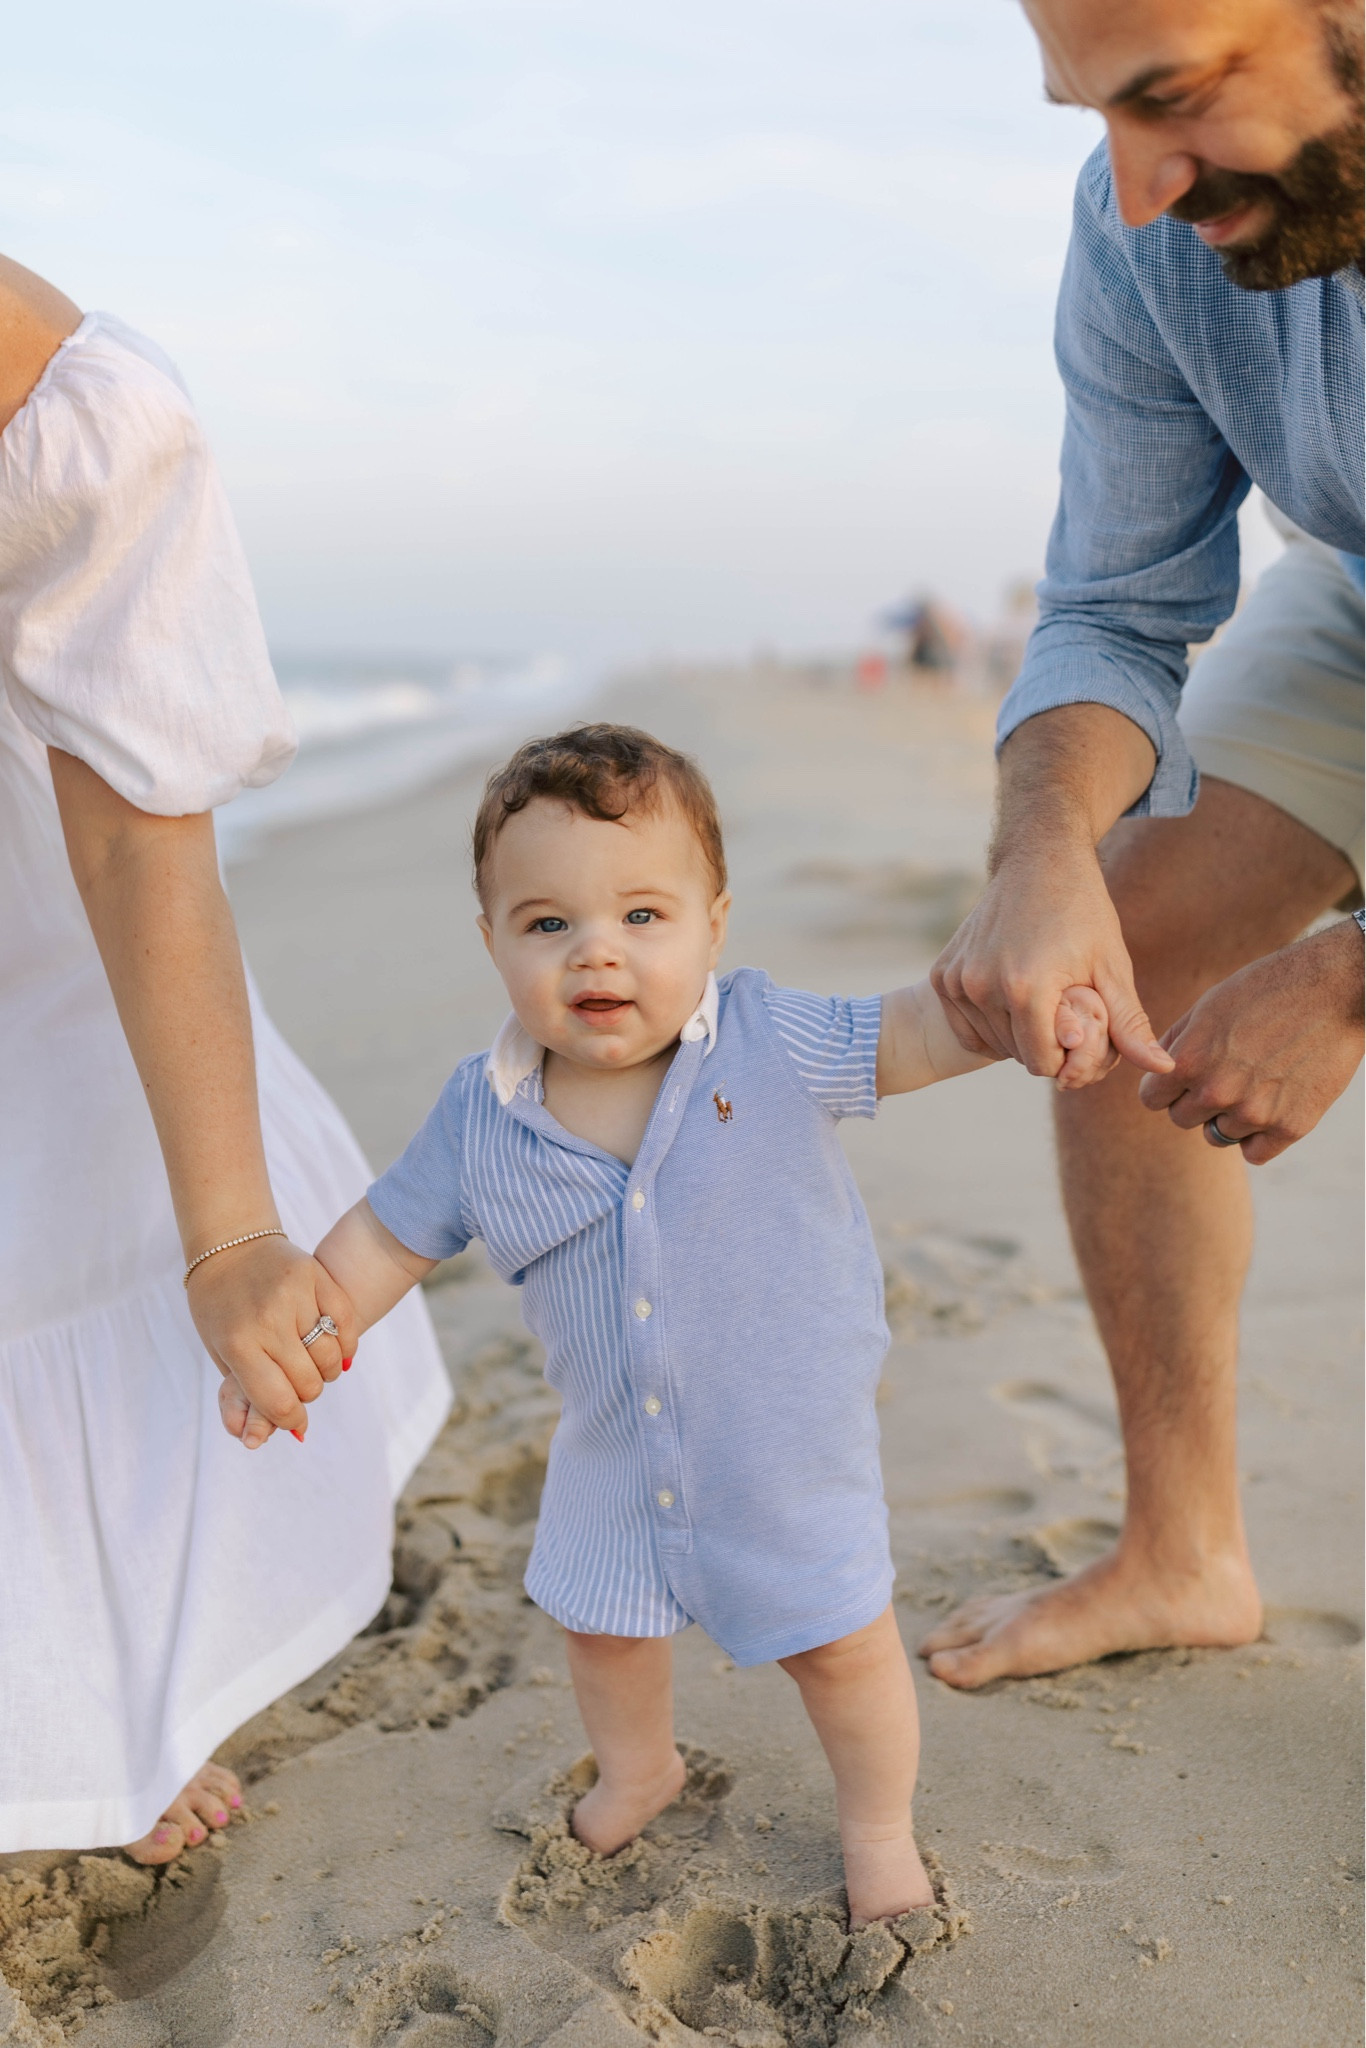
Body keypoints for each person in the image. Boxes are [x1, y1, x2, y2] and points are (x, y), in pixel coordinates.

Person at [229, 723, 1110, 1925]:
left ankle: (877, 1826)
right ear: (490, 938)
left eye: (643, 914)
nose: (596, 948)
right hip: (611, 1450)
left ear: (714, 923)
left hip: (782, 1446)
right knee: (600, 1630)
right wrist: (299, 1339)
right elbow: (384, 1241)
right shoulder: (481, 1115)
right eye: (547, 921)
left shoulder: (770, 1038)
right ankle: (639, 1768)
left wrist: (1023, 1016)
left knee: (838, 1646)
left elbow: (912, 1031)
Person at [922, 0, 1364, 1688]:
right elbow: (1112, 608)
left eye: (1169, 98)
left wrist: (1347, 978)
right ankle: (1180, 1553)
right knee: (1122, 944)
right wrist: (1041, 851)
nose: (1131, 184)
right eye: (1090, 113)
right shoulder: (1143, 235)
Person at [0, 260, 451, 1861]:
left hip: (26, 942)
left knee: (62, 1201)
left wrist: (233, 1236)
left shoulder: (39, 392)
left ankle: (84, 1715)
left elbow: (137, 831)